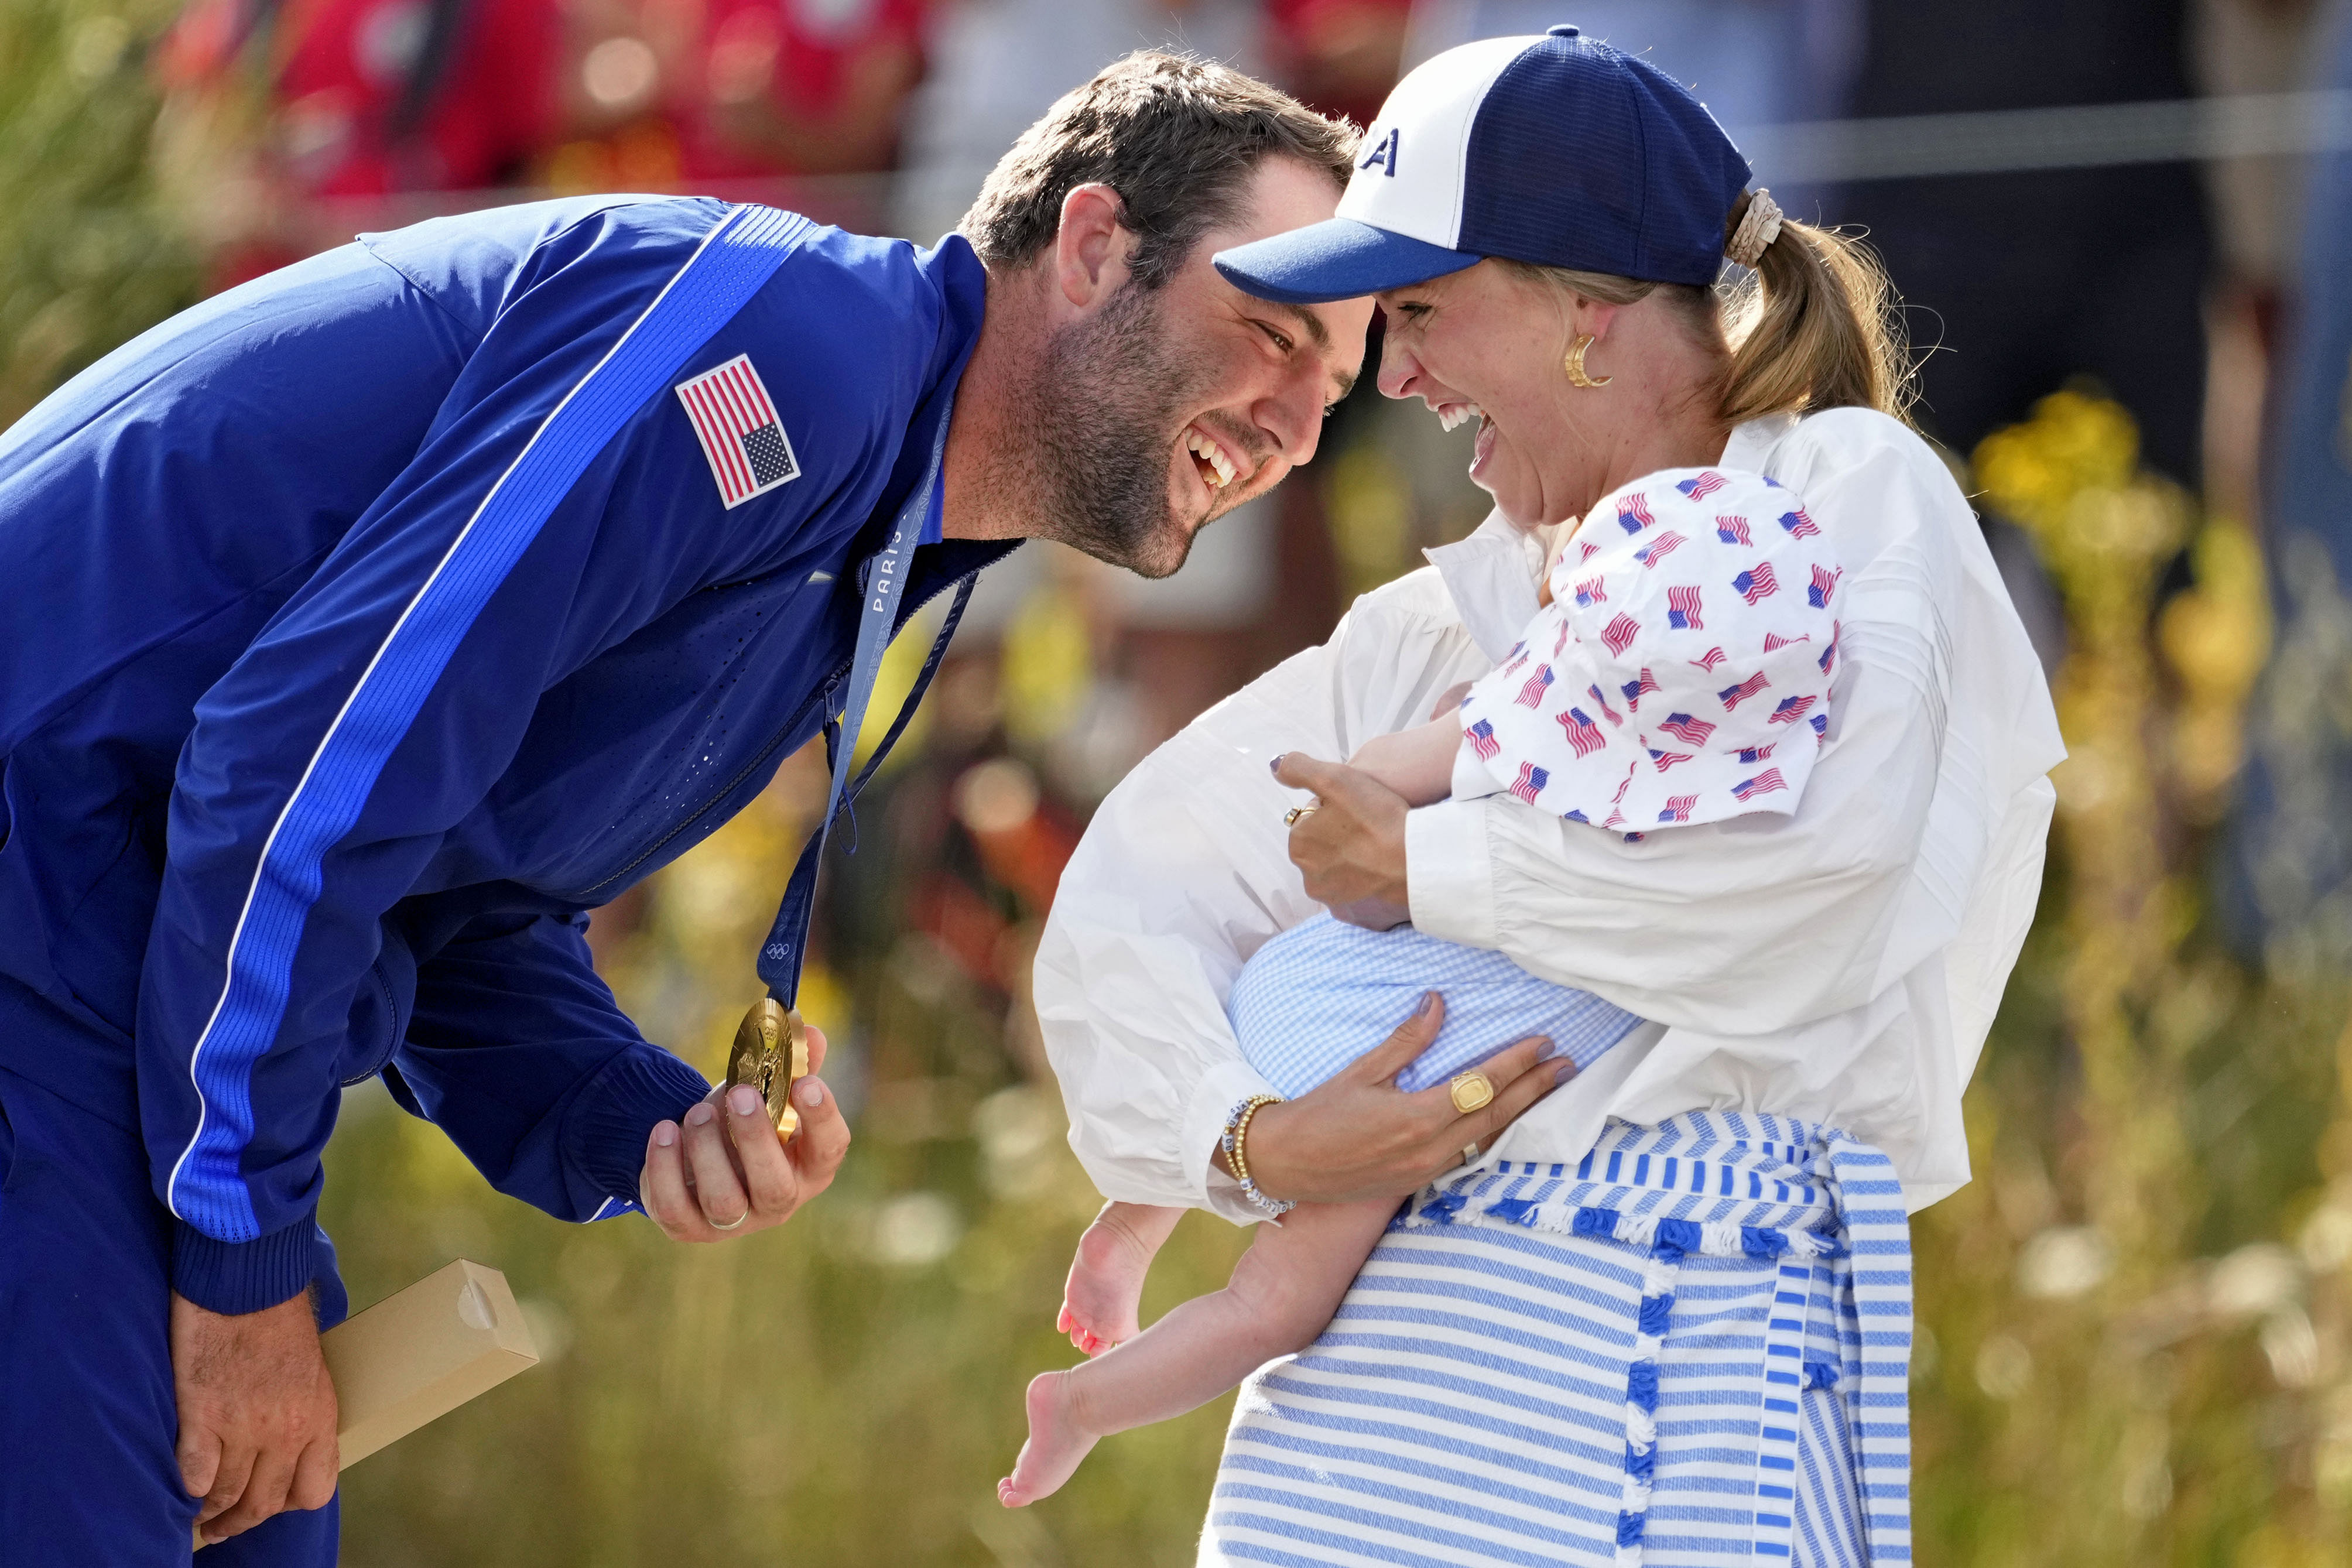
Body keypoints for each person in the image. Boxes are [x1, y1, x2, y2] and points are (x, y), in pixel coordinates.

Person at [0, 52, 1368, 1563]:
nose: (1300, 425)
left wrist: (629, 1122)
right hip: (52, 911)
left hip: (105, 954)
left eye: (1335, 385)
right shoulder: (799, 360)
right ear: (1095, 246)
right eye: (1269, 334)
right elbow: (299, 766)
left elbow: (440, 896)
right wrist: (241, 1252)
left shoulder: (871, 503)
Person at [1033, 29, 2063, 1566]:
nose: (1397, 375)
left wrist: (1435, 870)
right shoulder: (1444, 621)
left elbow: (1821, 888)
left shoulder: (1847, 496)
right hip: (1372, 1406)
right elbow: (1140, 889)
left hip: (1676, 1364)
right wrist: (1248, 1138)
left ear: (1588, 309)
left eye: (1427, 311)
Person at [998, 465, 1844, 1507]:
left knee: (1255, 1059)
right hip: (1409, 1055)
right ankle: (1083, 1402)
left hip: (1320, 977)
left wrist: (1449, 769)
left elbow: (1376, 787)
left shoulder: (1523, 715)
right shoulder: (1717, 825)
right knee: (1273, 1305)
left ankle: (1131, 1225)